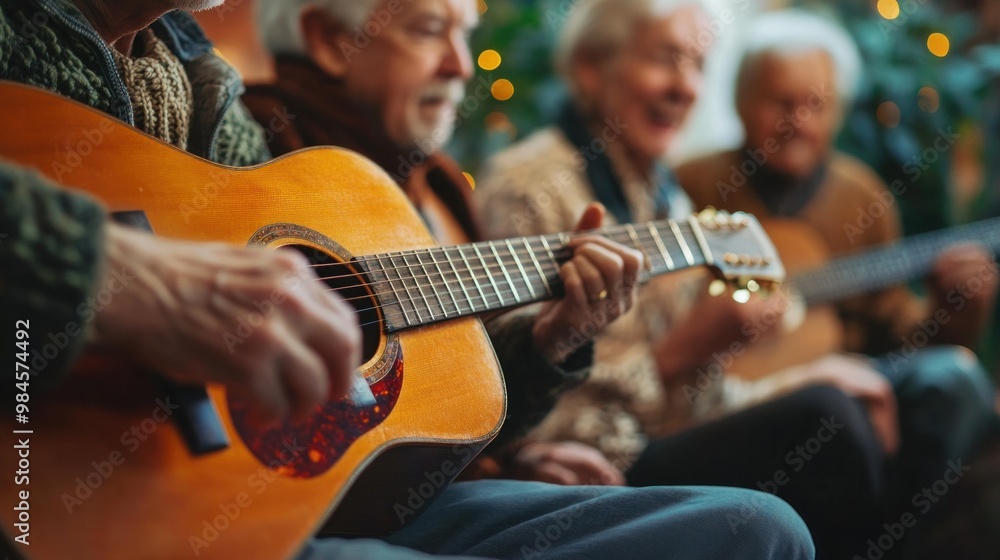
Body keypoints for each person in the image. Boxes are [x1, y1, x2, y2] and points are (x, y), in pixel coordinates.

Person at [0, 1, 815, 559]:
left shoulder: (201, 86)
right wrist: (113, 272)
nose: (459, 64)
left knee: (759, 528)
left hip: (260, 484)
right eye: (431, 29)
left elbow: (390, 386)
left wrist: (543, 342)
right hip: (73, 496)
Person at [472, 1, 920, 559]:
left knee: (894, 392)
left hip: (659, 436)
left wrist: (799, 376)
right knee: (826, 420)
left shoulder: (662, 192)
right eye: (665, 59)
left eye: (698, 65)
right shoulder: (531, 187)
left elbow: (699, 395)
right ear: (591, 67)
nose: (685, 87)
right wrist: (679, 355)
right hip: (595, 464)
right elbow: (504, 403)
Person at [675, 8, 999, 535]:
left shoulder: (861, 195)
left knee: (951, 380)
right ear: (740, 99)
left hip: (843, 377)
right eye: (781, 102)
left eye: (816, 105)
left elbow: (901, 333)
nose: (798, 121)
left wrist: (956, 306)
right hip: (734, 397)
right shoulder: (692, 184)